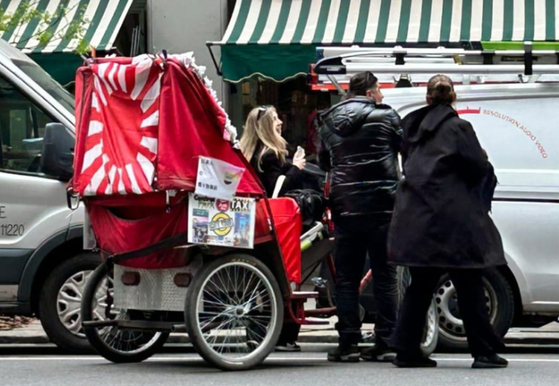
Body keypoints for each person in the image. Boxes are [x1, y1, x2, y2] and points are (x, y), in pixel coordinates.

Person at [387, 74, 508, 369]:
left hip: (416, 217)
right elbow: (478, 166)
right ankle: (483, 351)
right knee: (469, 283)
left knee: (421, 286)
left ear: (427, 98)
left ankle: (406, 350)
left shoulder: (411, 129)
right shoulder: (459, 128)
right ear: (453, 97)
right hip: (452, 219)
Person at [317, 72, 402, 362]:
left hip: (346, 206)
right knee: (385, 275)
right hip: (383, 205)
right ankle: (386, 340)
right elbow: (404, 149)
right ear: (368, 93)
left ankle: (348, 342)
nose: (381, 95)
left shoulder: (328, 121)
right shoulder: (386, 116)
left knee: (346, 279)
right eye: (378, 90)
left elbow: (324, 162)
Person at [240, 105, 306, 352]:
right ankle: (281, 334)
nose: (280, 122)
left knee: (257, 282)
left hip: (249, 224)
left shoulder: (248, 153)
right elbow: (278, 192)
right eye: (276, 119)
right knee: (282, 278)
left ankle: (256, 332)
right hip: (272, 222)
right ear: (267, 126)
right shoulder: (269, 154)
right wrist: (297, 167)